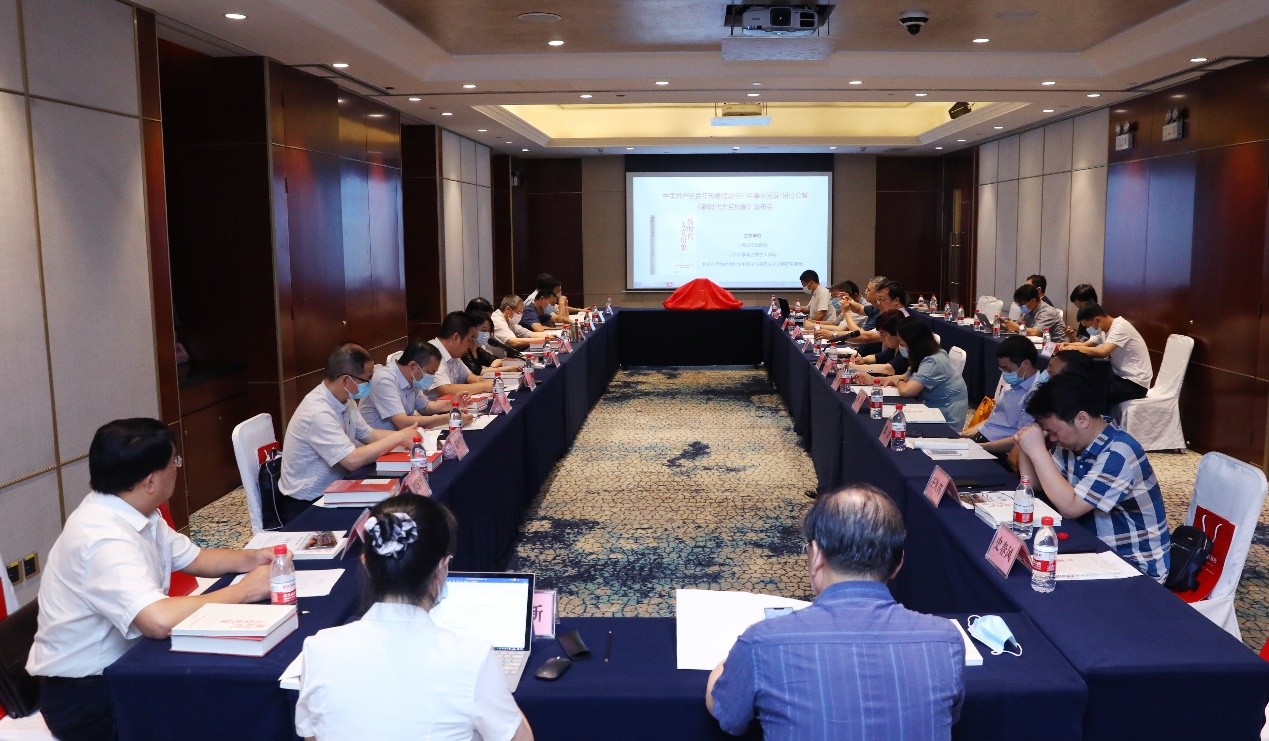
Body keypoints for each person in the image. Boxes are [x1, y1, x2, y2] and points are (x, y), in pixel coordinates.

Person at [27, 418, 275, 740]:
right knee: (225, 709)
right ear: (150, 481)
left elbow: (197, 558)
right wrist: (245, 591)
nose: (177, 468)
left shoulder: (136, 510)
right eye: (174, 461)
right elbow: (157, 621)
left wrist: (256, 557)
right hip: (89, 696)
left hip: (130, 666)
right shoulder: (101, 536)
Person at [707, 484, 964, 739]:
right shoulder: (946, 640)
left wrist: (728, 665)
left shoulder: (762, 642)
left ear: (817, 555)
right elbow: (949, 717)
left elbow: (728, 715)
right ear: (898, 563)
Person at [296, 494, 533, 741]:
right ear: (442, 568)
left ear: (366, 563)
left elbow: (312, 736)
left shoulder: (318, 649)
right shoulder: (472, 658)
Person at [1014, 373, 1170, 582]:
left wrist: (1037, 450)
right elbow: (1032, 484)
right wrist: (1026, 446)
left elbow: (1070, 507)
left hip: (1135, 567)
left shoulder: (1120, 452)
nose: (1051, 438)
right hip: (1095, 552)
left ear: (1082, 419)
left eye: (1053, 431)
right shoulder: (1073, 443)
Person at [279, 343, 421, 523]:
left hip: (338, 488)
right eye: (368, 379)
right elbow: (352, 460)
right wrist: (397, 437)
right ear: (347, 380)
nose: (371, 384)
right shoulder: (318, 413)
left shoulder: (345, 399)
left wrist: (407, 435)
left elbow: (369, 435)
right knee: (383, 519)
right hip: (308, 504)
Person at [873, 316, 968, 425]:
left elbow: (906, 391)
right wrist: (872, 380)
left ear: (913, 342)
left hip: (946, 422)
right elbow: (904, 377)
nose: (900, 347)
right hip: (931, 411)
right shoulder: (924, 355)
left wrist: (898, 382)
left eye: (902, 343)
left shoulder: (933, 361)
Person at [1059, 303, 1152, 407]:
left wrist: (1072, 348)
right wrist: (1066, 345)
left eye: (1087, 326)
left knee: (1091, 392)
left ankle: (1095, 417)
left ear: (1096, 320)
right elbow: (1086, 344)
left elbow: (1103, 351)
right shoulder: (1101, 329)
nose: (1087, 329)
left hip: (1135, 383)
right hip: (1118, 376)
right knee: (1083, 381)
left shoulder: (1120, 327)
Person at [360, 341, 466, 431]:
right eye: (430, 372)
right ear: (413, 366)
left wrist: (451, 405)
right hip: (377, 444)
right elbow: (402, 423)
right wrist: (450, 418)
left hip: (399, 437)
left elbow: (425, 407)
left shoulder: (411, 378)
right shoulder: (384, 380)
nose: (432, 377)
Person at [962, 336, 1041, 454]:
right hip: (983, 439)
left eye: (1007, 370)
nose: (1005, 374)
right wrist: (967, 433)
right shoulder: (1014, 382)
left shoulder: (1036, 394)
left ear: (1025, 365)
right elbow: (994, 419)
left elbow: (1021, 439)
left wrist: (980, 447)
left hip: (998, 450)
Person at [431, 312, 496, 397]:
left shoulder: (454, 354)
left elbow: (470, 377)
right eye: (469, 339)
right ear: (456, 338)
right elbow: (445, 389)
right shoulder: (431, 352)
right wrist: (484, 386)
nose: (470, 345)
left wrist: (482, 381)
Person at [847, 310, 908, 378]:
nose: (882, 339)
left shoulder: (906, 350)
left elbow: (888, 369)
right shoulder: (894, 348)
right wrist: (862, 359)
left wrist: (853, 367)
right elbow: (877, 357)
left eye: (883, 335)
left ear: (896, 333)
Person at [460, 311, 504, 377]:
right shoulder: (463, 351)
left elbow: (497, 360)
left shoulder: (477, 349)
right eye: (484, 330)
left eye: (489, 331)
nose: (487, 334)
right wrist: (507, 369)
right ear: (472, 329)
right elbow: (476, 372)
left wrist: (490, 369)